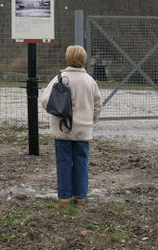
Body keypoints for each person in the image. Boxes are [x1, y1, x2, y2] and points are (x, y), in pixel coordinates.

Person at [39, 45, 102, 206]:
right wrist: (91, 120)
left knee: (64, 161)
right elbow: (97, 105)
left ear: (68, 58)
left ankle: (64, 197)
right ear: (84, 59)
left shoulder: (59, 78)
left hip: (62, 128)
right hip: (83, 130)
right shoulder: (90, 81)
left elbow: (44, 101)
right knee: (81, 161)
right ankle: (81, 196)